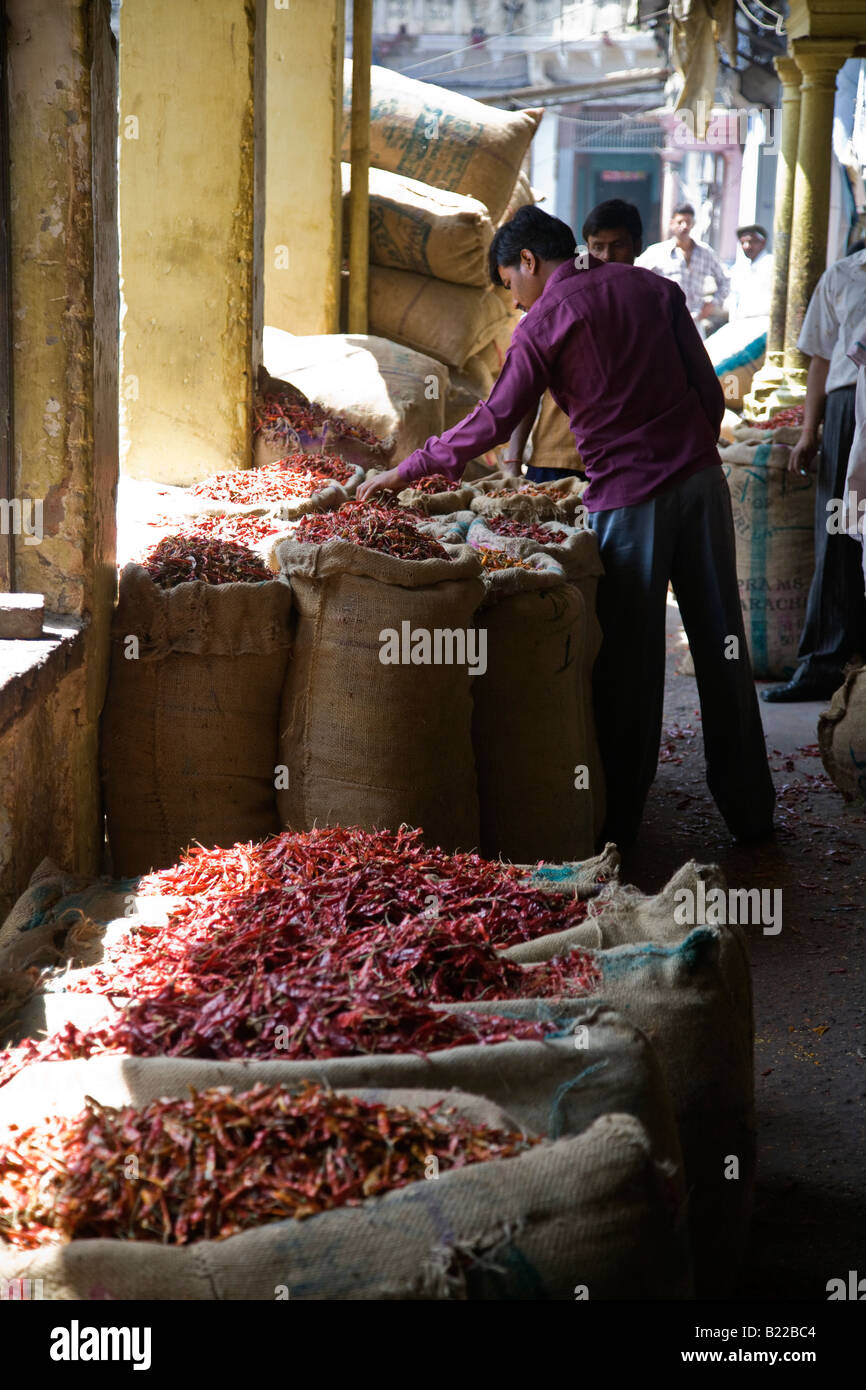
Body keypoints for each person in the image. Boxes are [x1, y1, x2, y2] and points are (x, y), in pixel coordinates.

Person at [359, 205, 775, 848]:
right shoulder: (653, 288)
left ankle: (620, 827)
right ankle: (751, 814)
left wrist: (408, 469)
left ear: (528, 262)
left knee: (629, 666)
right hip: (700, 483)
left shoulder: (545, 322)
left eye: (510, 285)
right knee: (722, 642)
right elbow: (709, 389)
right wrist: (687, 451)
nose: (514, 303)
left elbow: (494, 420)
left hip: (630, 500)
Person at [762, 245, 866, 702]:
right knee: (841, 529)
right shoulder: (844, 275)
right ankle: (825, 664)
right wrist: (810, 431)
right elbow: (821, 358)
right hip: (848, 409)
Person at [503, 198, 644, 481]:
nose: (607, 256)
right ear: (585, 249)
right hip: (556, 456)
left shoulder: (649, 301)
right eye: (597, 247)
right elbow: (525, 389)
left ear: (637, 246)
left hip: (624, 462)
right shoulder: (554, 310)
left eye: (618, 245)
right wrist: (513, 459)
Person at [636, 203, 730, 326]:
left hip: (694, 322)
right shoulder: (657, 252)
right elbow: (635, 277)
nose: (684, 226)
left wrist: (713, 303)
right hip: (665, 321)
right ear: (672, 223)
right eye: (680, 222)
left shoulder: (705, 252)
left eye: (688, 222)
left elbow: (725, 280)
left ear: (693, 224)